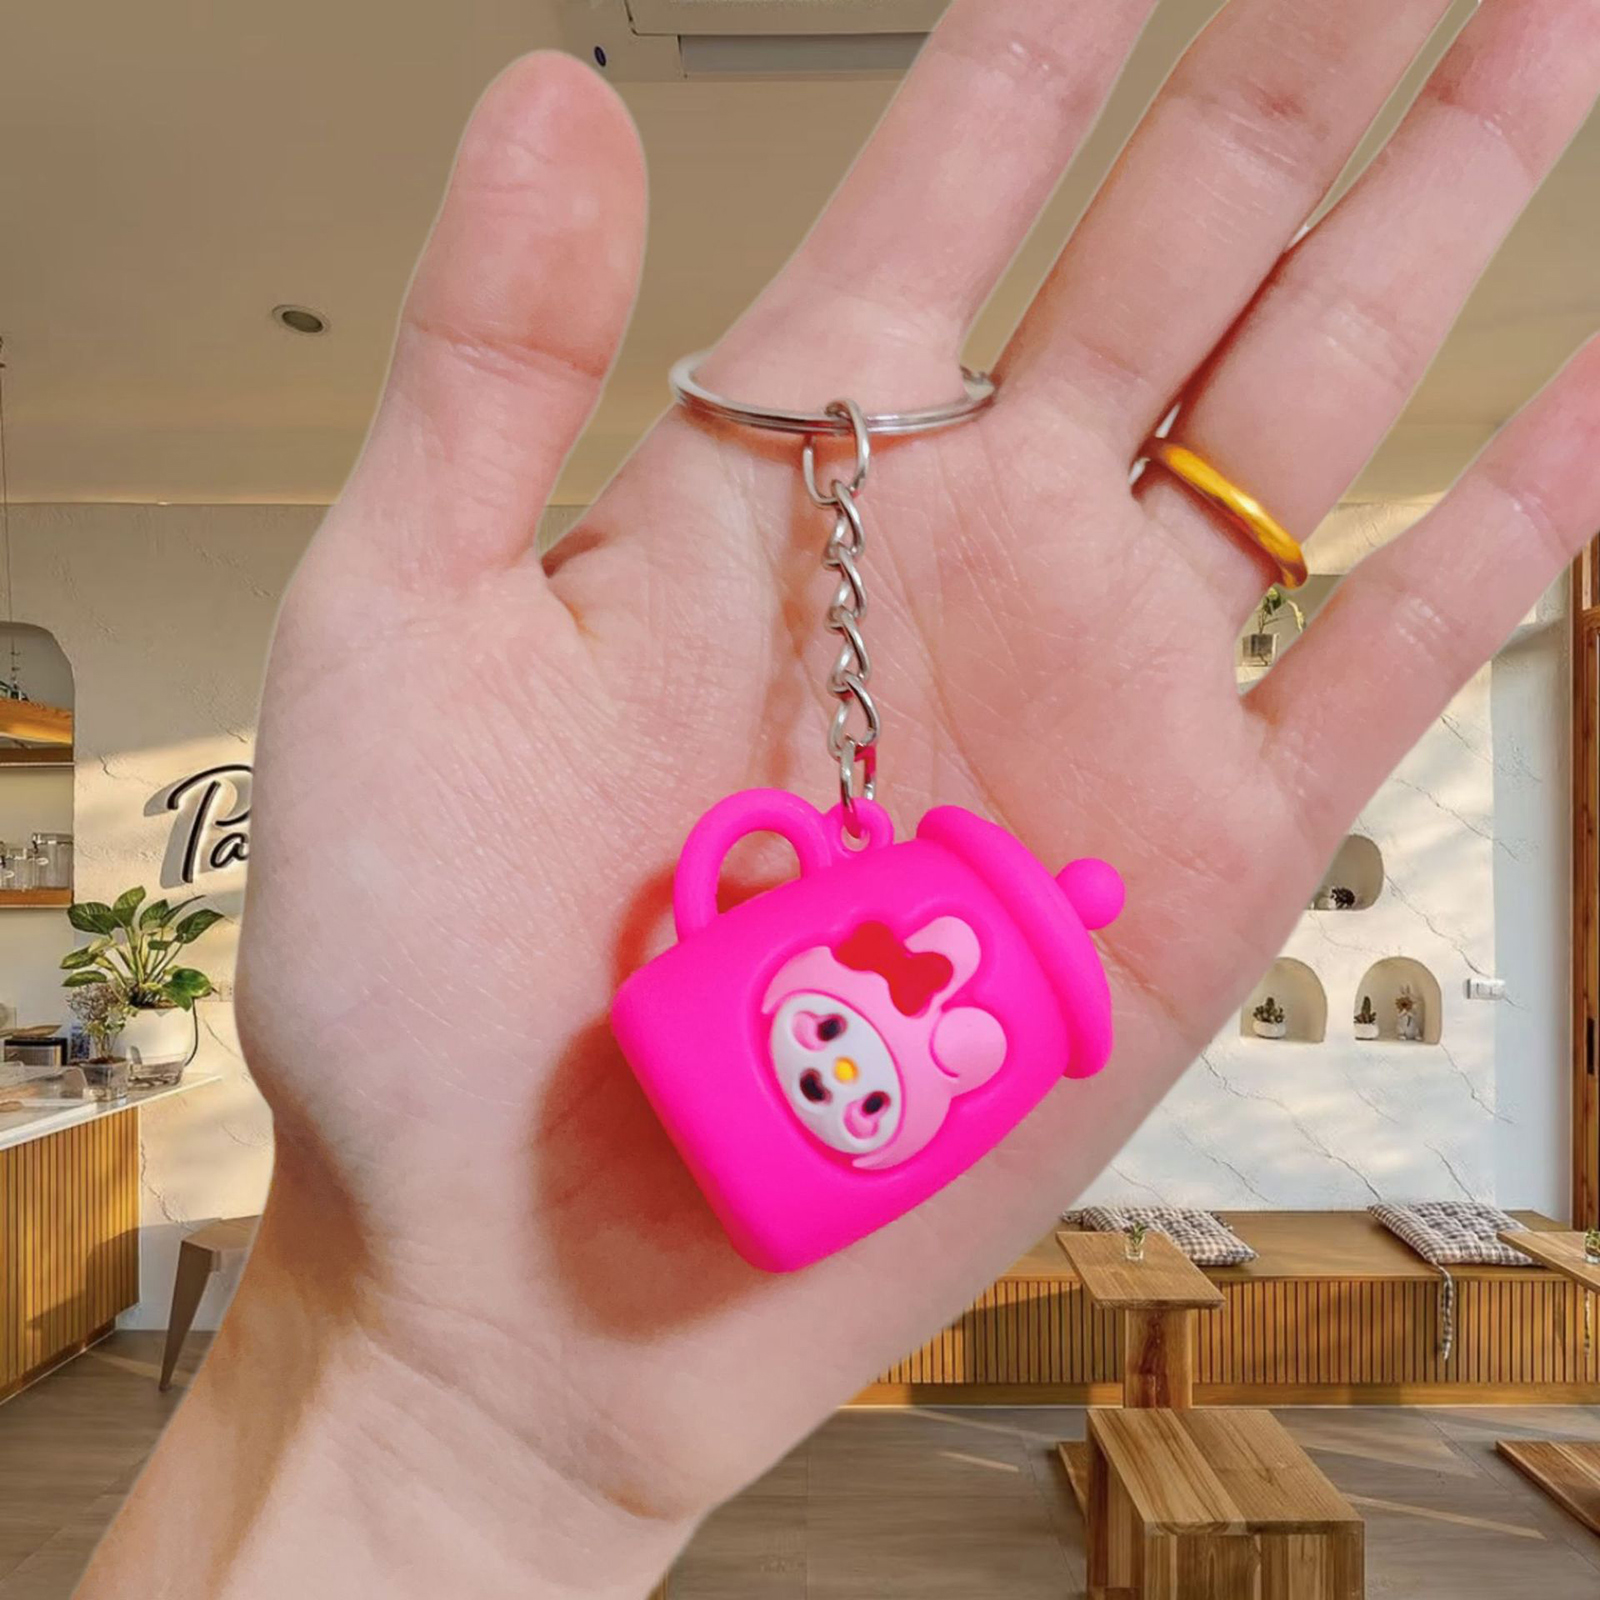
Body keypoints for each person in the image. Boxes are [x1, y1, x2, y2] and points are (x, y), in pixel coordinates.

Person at [75, 2, 1600, 1595]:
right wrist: (446, 1401)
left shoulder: (973, 991)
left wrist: (458, 1438)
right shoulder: (898, 905)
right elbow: (773, 886)